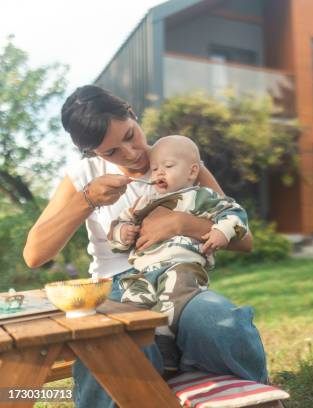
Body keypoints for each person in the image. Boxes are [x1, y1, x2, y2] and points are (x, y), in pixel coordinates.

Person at [23, 85, 267, 408]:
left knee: (218, 322)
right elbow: (34, 254)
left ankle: (253, 399)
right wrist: (88, 200)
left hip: (179, 280)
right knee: (119, 349)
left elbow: (244, 239)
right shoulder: (86, 176)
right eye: (111, 152)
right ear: (94, 154)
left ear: (131, 114)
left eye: (129, 135)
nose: (131, 154)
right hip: (117, 291)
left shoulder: (176, 158)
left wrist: (183, 224)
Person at [108, 135, 249, 372]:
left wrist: (222, 232)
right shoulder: (144, 202)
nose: (159, 173)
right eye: (155, 169)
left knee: (173, 298)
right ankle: (146, 355)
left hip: (182, 266)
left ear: (192, 171)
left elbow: (236, 215)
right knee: (134, 305)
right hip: (141, 271)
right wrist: (123, 233)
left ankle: (167, 350)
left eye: (168, 166)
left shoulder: (202, 196)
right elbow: (117, 227)